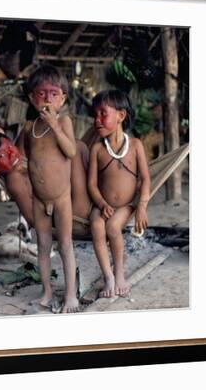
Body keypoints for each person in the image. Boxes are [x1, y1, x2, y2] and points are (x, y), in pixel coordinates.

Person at [0, 103, 92, 230]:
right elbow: (33, 219)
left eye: (9, 147)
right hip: (74, 218)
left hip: (73, 200)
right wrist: (52, 234)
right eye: (2, 156)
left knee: (79, 144)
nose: (11, 154)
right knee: (77, 148)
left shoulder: (18, 158)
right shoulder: (14, 179)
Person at [15, 64, 80, 313]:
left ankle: (71, 296)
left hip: (62, 198)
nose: (47, 99)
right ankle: (46, 291)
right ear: (32, 98)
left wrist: (54, 125)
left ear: (62, 99)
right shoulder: (28, 129)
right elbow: (22, 157)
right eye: (42, 94)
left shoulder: (64, 121)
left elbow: (71, 151)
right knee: (43, 246)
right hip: (39, 199)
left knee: (65, 245)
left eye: (54, 94)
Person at [87, 89, 151, 298]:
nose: (97, 120)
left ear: (121, 116)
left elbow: (145, 179)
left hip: (126, 205)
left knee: (113, 227)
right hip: (102, 205)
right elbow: (92, 185)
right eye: (95, 115)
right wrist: (101, 203)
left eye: (103, 114)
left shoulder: (135, 145)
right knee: (96, 225)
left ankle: (119, 273)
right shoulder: (97, 149)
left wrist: (141, 207)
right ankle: (108, 277)